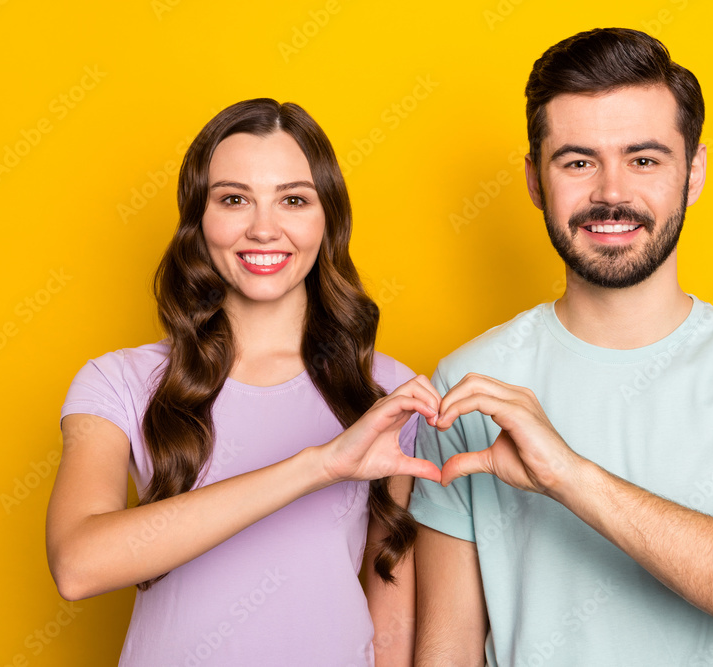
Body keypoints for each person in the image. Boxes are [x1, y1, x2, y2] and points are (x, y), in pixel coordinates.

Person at [410, 28, 713, 666]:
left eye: (643, 159)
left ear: (693, 171)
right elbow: (445, 650)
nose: (612, 192)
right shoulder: (470, 383)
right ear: (536, 180)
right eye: (578, 161)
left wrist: (569, 477)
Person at [47, 98, 441, 667]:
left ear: (327, 218)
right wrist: (319, 465)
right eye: (234, 199)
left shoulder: (386, 391)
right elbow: (78, 566)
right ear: (197, 219)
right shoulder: (118, 381)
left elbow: (392, 599)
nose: (263, 228)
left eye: (294, 200)